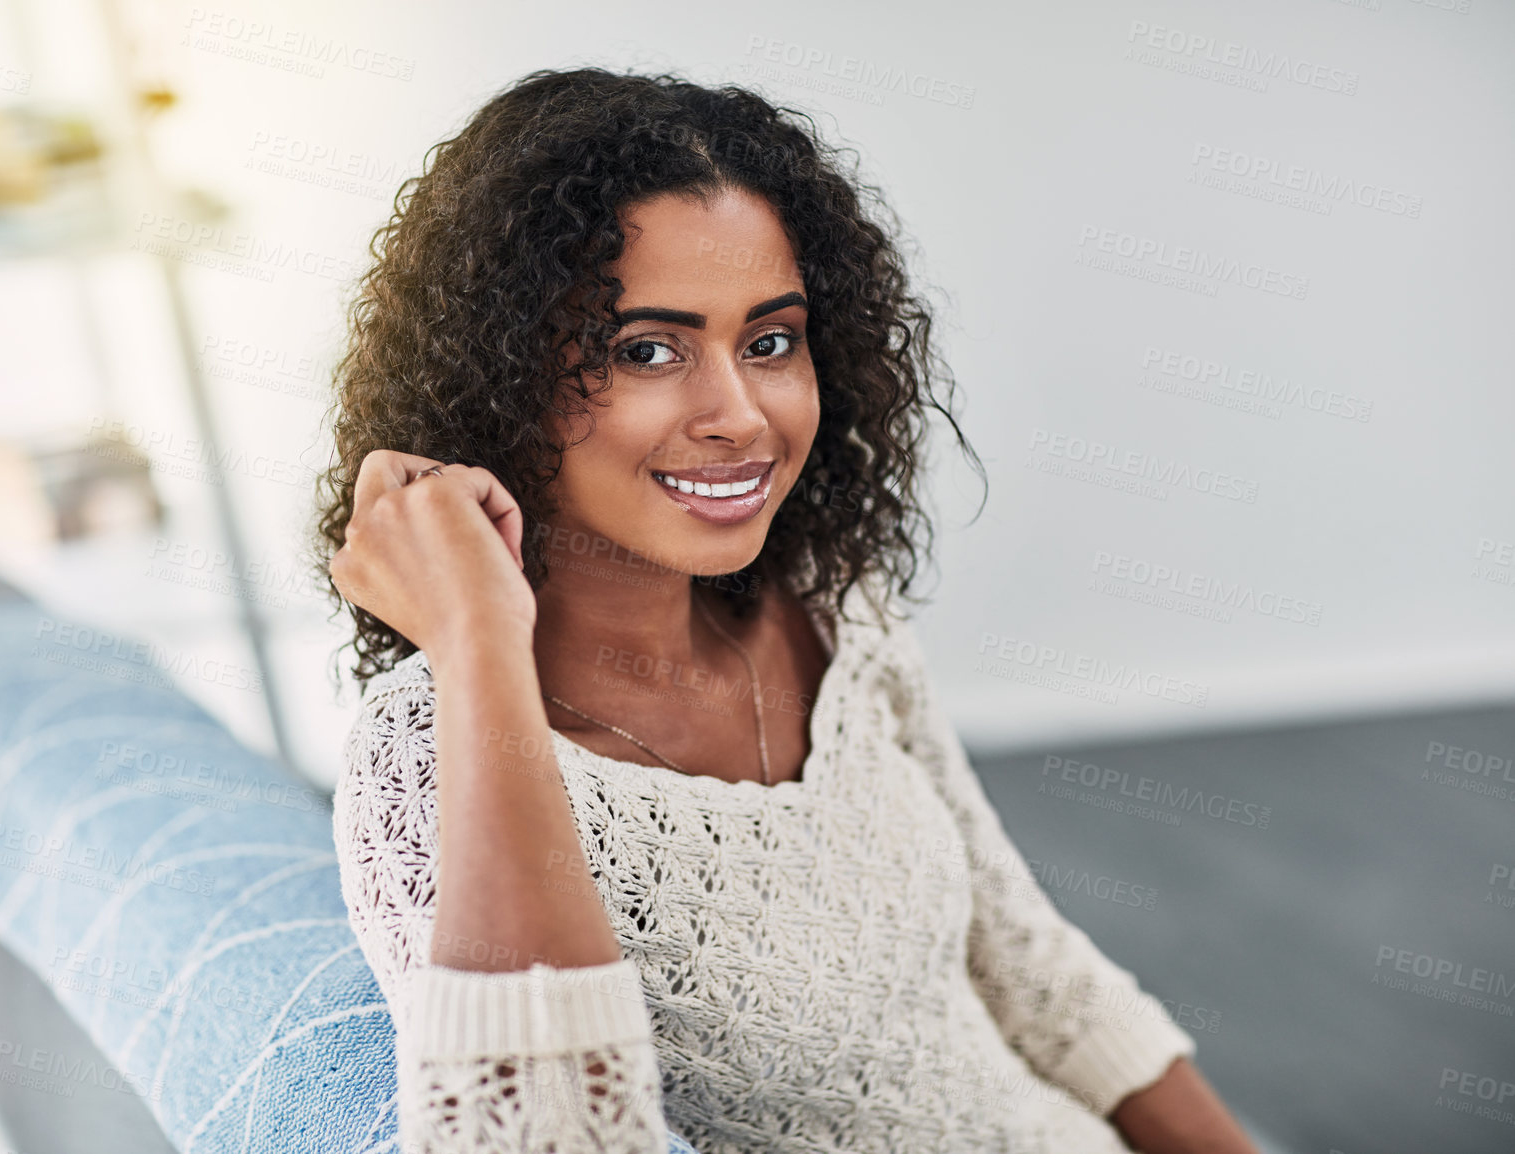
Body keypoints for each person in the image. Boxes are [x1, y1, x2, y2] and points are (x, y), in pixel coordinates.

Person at [315, 67, 1259, 1153]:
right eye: (645, 350)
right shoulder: (424, 751)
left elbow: (1033, 969)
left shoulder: (832, 615)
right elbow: (540, 1135)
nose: (740, 414)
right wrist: (480, 645)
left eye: (769, 341)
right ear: (495, 376)